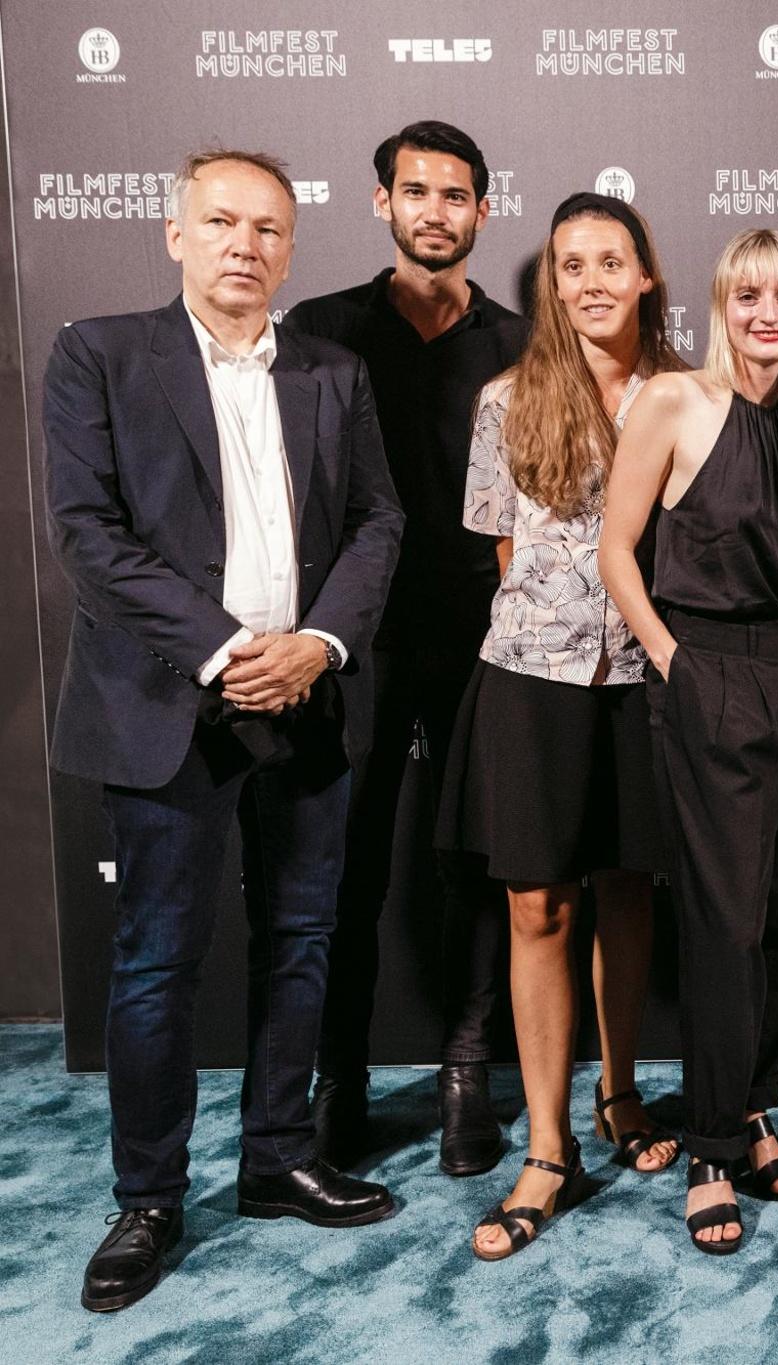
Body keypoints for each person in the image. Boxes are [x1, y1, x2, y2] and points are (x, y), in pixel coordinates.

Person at [44, 149, 405, 1312]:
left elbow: (377, 520)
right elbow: (90, 536)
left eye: (267, 228)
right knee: (156, 960)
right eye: (221, 222)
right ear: (175, 233)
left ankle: (276, 1156)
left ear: (290, 248)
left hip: (306, 697)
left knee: (300, 940)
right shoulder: (99, 355)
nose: (245, 244)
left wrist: (318, 647)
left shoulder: (333, 373)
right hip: (168, 702)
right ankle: (149, 1198)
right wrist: (224, 649)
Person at [438, 192, 686, 1261]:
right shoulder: (506, 400)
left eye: (610, 260)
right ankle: (546, 1144)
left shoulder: (687, 396)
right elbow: (502, 554)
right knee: (538, 906)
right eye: (570, 263)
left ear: (645, 276)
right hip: (532, 681)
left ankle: (620, 1093)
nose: (590, 280)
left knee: (628, 889)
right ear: (553, 283)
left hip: (646, 679)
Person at [286, 119, 529, 1178]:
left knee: (474, 857)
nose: (437, 211)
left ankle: (467, 1071)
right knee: (345, 862)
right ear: (381, 201)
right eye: (416, 192)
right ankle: (336, 1078)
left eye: (456, 195)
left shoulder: (523, 343)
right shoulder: (321, 329)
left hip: (484, 631)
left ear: (484, 210)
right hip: (354, 636)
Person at [600, 228, 778, 1254]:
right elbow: (616, 550)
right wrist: (673, 662)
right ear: (719, 303)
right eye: (749, 295)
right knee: (726, 924)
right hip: (711, 667)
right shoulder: (672, 399)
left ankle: (748, 1109)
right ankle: (706, 1150)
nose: (768, 313)